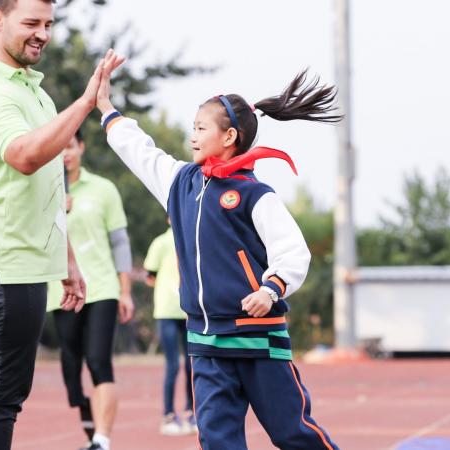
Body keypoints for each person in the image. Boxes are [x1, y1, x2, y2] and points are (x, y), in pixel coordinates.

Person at [94, 57, 342, 450]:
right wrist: (107, 109)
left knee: (292, 433)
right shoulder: (180, 183)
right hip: (206, 344)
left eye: (200, 128)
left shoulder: (254, 195)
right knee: (218, 442)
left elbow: (293, 251)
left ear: (229, 137)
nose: (192, 135)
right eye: (192, 127)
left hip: (258, 341)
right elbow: (141, 152)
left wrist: (270, 290)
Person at [0, 0, 122, 446]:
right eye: (31, 23)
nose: (42, 33)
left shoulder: (35, 91)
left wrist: (66, 259)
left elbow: (48, 186)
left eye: (48, 24)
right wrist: (87, 103)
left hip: (24, 268)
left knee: (7, 395)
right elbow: (25, 157)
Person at [48, 129, 135, 450]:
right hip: (60, 293)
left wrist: (125, 290)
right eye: (58, 148)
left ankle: (102, 439)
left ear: (81, 147)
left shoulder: (103, 189)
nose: (65, 154)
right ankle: (88, 419)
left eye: (70, 146)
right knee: (72, 369)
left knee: (98, 361)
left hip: (101, 288)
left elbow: (120, 243)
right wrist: (54, 211)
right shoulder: (42, 191)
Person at [144, 222, 195, 435]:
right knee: (172, 365)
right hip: (166, 310)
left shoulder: (192, 237)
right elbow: (149, 275)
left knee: (192, 365)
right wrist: (168, 287)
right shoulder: (160, 243)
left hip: (190, 311)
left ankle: (191, 412)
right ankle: (168, 415)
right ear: (168, 219)